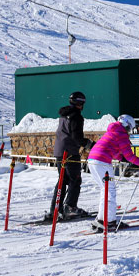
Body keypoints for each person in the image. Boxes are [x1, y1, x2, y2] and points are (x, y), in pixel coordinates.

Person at [88, 114, 139, 231]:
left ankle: (102, 219)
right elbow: (129, 155)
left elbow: (117, 152)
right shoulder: (121, 134)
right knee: (110, 190)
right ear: (127, 125)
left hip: (92, 160)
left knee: (105, 190)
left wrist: (124, 159)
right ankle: (110, 221)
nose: (129, 131)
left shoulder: (112, 131)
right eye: (129, 128)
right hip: (102, 162)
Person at [48, 91, 95, 220]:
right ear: (80, 103)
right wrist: (90, 145)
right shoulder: (76, 116)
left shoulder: (64, 115)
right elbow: (76, 137)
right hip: (70, 152)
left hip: (59, 151)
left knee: (63, 180)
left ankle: (55, 209)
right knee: (75, 179)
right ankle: (70, 207)